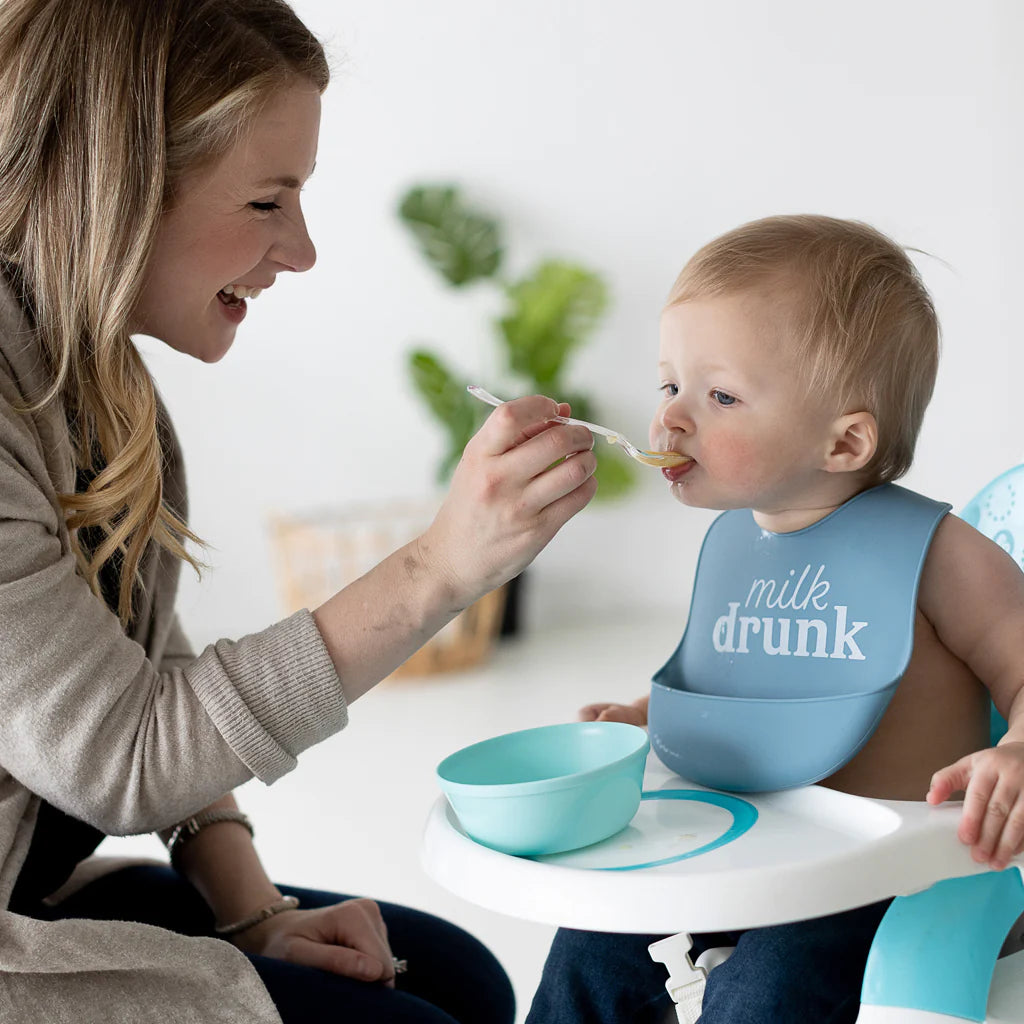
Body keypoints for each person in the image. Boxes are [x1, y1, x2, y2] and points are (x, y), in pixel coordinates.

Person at [0, 2, 599, 1022]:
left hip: (33, 883)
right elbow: (125, 753)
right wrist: (439, 568)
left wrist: (252, 914)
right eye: (269, 201)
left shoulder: (92, 385)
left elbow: (134, 665)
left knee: (455, 977)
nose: (303, 249)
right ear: (118, 182)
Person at [526, 214, 1024, 1024]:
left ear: (845, 441)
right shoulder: (738, 542)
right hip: (757, 847)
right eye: (670, 386)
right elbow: (748, 681)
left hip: (888, 871)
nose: (672, 419)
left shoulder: (936, 552)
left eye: (720, 396)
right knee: (594, 935)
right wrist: (647, 719)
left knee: (768, 986)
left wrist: (1019, 749)